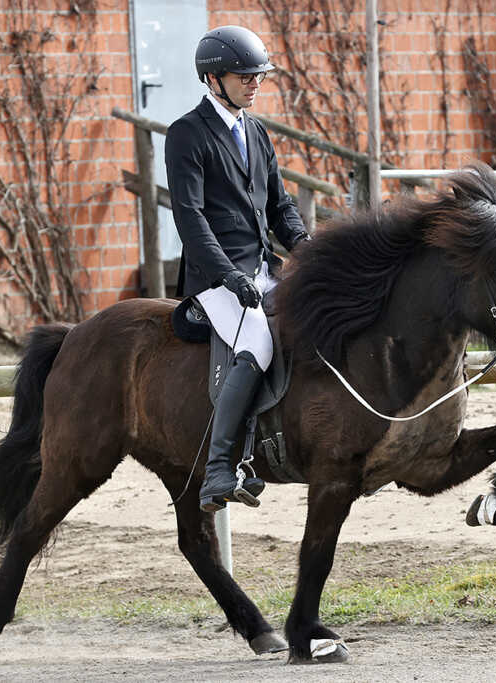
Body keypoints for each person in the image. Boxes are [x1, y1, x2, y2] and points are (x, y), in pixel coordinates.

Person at [165, 25, 310, 513]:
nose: (254, 84)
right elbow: (191, 217)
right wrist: (228, 275)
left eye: (258, 76)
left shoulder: (256, 131)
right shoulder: (187, 133)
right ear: (213, 78)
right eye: (243, 76)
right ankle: (221, 467)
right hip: (216, 278)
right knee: (256, 342)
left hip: (264, 269)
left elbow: (280, 207)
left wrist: (306, 250)